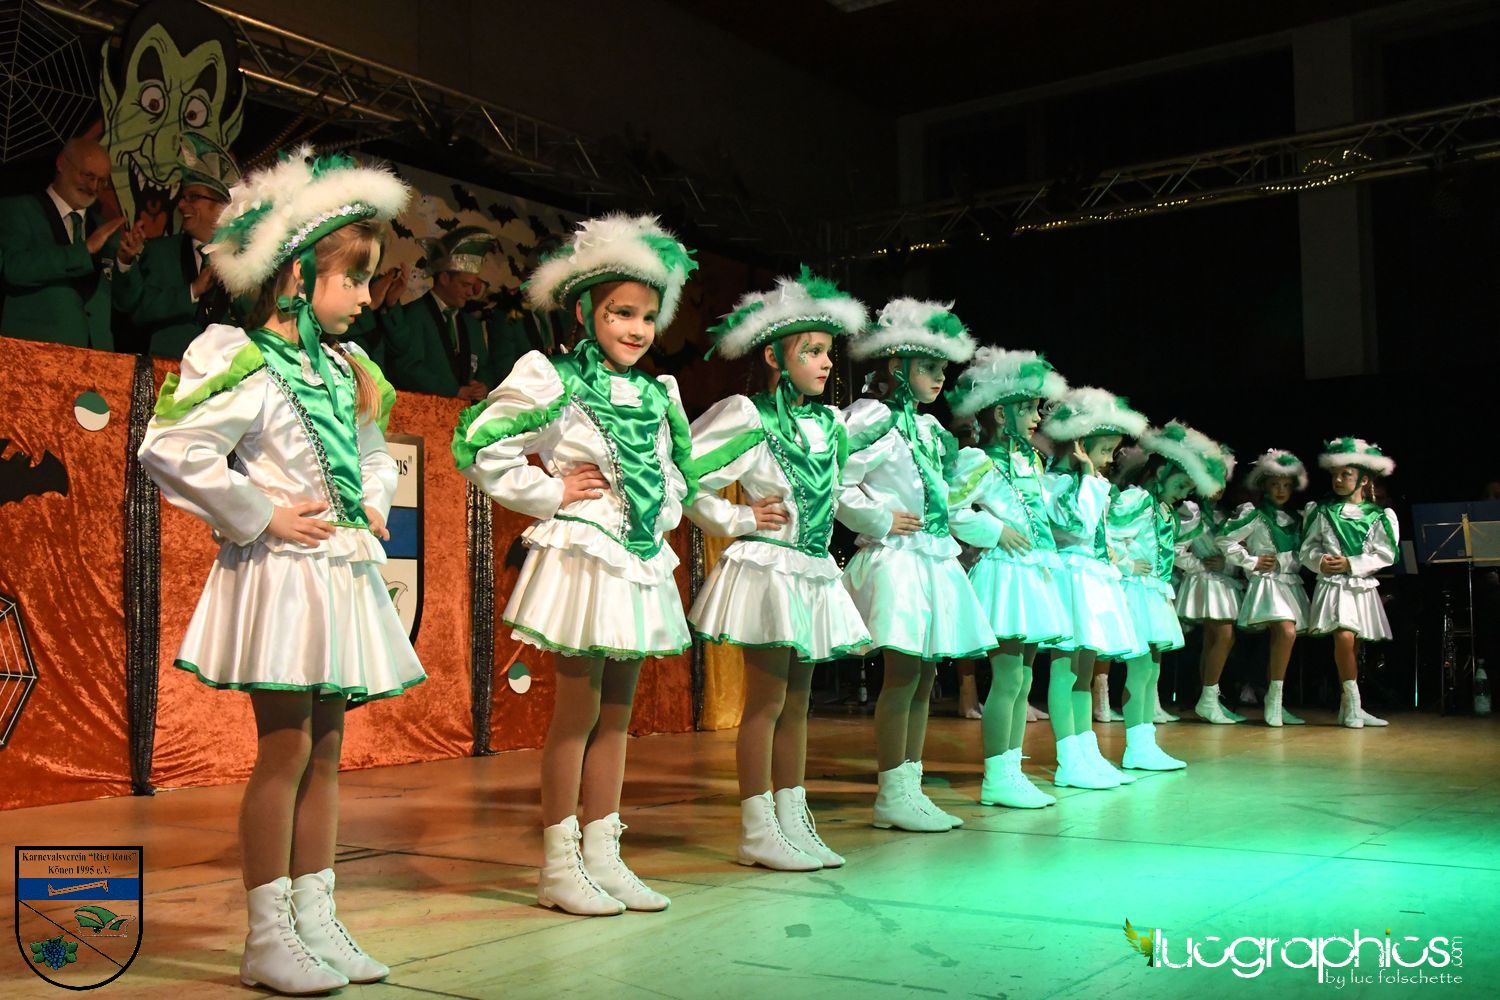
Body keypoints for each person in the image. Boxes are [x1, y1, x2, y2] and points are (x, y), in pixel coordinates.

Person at [138, 146, 422, 994]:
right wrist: (261, 511)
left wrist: (374, 498)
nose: (368, 296)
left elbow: (374, 453)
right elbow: (172, 447)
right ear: (298, 275)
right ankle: (267, 935)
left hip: (338, 568)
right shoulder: (242, 357)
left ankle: (315, 916)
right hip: (284, 574)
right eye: (356, 278)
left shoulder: (346, 368)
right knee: (287, 749)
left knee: (328, 750)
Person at [453, 214, 698, 915]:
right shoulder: (553, 377)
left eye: (647, 315)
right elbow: (478, 444)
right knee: (577, 711)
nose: (637, 328)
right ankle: (559, 865)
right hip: (584, 554)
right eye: (621, 312)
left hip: (637, 557)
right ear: (587, 312)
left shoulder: (659, 393)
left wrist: (660, 509)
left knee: (617, 714)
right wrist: (551, 492)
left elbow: (677, 472)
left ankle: (604, 855)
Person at [685, 268, 874, 870]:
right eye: (811, 351)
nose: (826, 363)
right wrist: (738, 518)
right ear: (773, 356)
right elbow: (685, 475)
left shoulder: (829, 425)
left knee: (798, 703)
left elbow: (836, 494)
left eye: (828, 351)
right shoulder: (748, 416)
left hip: (811, 570)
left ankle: (793, 817)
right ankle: (756, 827)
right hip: (769, 569)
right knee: (766, 704)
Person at [841, 298, 997, 833]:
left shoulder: (929, 429)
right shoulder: (872, 417)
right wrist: (880, 516)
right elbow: (834, 478)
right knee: (904, 673)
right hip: (897, 560)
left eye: (942, 368)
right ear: (897, 365)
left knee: (927, 674)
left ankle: (911, 785)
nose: (939, 377)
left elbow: (943, 497)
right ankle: (891, 791)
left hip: (932, 558)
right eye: (928, 366)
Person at [946, 348, 1071, 807]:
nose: (1038, 417)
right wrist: (994, 530)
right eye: (1029, 408)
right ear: (1002, 413)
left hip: (1033, 574)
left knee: (1023, 679)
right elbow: (951, 508)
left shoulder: (1030, 461)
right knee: (1007, 677)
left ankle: (1012, 770)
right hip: (1004, 575)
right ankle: (997, 776)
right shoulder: (981, 459)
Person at [1036, 386, 1151, 790]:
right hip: (1070, 577)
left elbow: (1097, 531)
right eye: (1104, 451)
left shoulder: (1092, 482)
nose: (1108, 460)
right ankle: (1068, 758)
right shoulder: (1054, 481)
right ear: (1080, 445)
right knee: (1065, 671)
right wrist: (1087, 475)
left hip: (1092, 577)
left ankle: (1088, 753)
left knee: (1083, 674)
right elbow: (1076, 524)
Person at [1108, 421, 1230, 771]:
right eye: (1180, 485)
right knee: (1140, 671)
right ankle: (1136, 746)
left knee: (1151, 672)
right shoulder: (1137, 499)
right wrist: (1128, 563)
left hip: (1155, 593)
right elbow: (1107, 534)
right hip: (1136, 592)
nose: (1182, 494)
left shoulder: (1163, 509)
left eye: (1188, 489)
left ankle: (1143, 743)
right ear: (1161, 472)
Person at [0, 137, 141, 349]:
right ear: (61, 164)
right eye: (88, 175)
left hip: (97, 358)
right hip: (32, 354)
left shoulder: (106, 230)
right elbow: (13, 269)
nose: (94, 186)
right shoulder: (18, 210)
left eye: (102, 181)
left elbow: (127, 302)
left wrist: (125, 263)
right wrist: (83, 250)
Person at [1299, 437, 1399, 728]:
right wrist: (1320, 561)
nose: (1339, 480)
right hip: (1334, 585)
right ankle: (1354, 705)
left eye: (1346, 474)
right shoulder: (1321, 511)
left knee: (1353, 644)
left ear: (1363, 479)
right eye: (1335, 475)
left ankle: (1349, 707)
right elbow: (1307, 548)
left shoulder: (1379, 516)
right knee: (1343, 637)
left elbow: (1386, 553)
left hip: (1359, 584)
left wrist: (1352, 563)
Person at [114, 134, 241, 357]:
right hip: (167, 371)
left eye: (193, 197)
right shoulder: (161, 253)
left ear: (221, 206)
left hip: (228, 373)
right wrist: (192, 291)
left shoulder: (244, 258)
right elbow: (138, 311)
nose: (181, 205)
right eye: (183, 197)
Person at [1219, 449, 1312, 726]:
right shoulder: (1255, 515)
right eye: (1274, 484)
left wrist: (1285, 561)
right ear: (1264, 486)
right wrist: (1251, 561)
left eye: (1286, 485)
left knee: (1281, 640)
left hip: (1290, 583)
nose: (1281, 490)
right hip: (1268, 584)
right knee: (1285, 631)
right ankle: (1273, 700)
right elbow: (1225, 539)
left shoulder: (1297, 518)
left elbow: (1305, 554)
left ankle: (1275, 700)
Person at [383, 225, 516, 399]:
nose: (471, 292)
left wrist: (484, 385)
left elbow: (485, 367)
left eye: (473, 285)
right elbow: (408, 368)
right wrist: (454, 391)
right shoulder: (414, 314)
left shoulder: (472, 325)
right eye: (465, 285)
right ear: (444, 278)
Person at [1176, 452, 1247, 726]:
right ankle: (1207, 699)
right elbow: (1175, 549)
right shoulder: (1192, 512)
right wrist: (1200, 564)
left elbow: (1233, 553)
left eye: (1222, 482)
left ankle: (1208, 700)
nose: (1218, 488)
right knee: (1224, 636)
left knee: (1213, 640)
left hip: (1223, 582)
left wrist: (1226, 565)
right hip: (1204, 581)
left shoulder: (1228, 515)